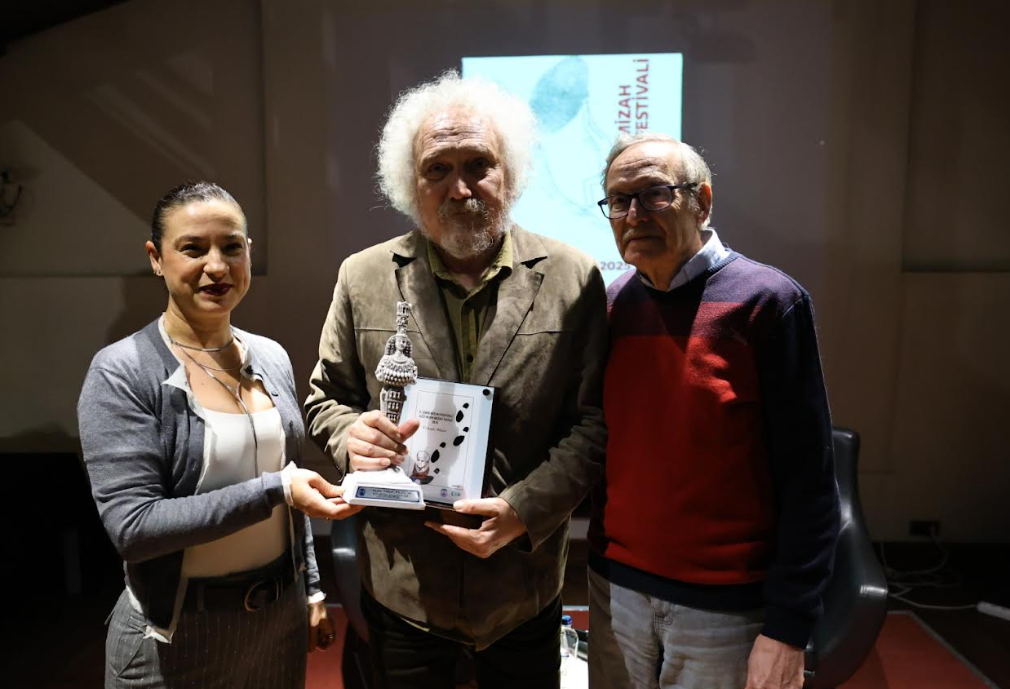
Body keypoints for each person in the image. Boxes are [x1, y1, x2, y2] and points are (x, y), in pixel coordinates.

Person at [304, 71, 608, 689]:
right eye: (437, 169)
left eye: (478, 165)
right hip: (405, 587)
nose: (459, 187)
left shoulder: (573, 277)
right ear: (409, 184)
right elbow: (325, 398)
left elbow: (595, 422)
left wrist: (523, 511)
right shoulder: (362, 276)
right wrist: (350, 436)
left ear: (511, 174)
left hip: (521, 586)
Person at [78, 182, 361, 688]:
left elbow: (291, 491)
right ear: (156, 258)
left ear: (248, 253)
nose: (217, 266)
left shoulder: (270, 356)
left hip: (278, 623)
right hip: (173, 636)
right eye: (193, 248)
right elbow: (134, 528)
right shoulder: (122, 371)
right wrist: (274, 490)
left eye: (231, 247)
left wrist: (312, 590)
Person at [588, 133, 841, 689]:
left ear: (701, 202)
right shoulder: (611, 306)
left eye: (654, 194)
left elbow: (810, 480)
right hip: (616, 592)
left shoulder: (768, 301)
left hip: (726, 610)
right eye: (619, 201)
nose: (634, 215)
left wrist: (788, 629)